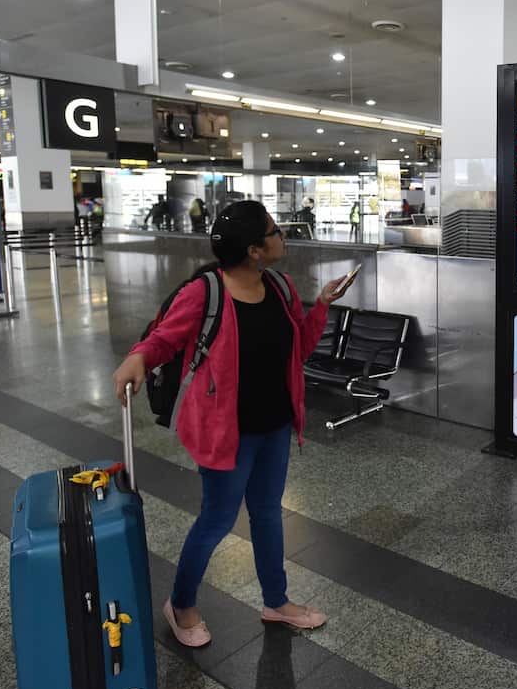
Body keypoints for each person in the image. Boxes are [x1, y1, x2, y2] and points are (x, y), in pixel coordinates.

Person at [111, 201, 354, 647]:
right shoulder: (204, 293)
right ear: (254, 250)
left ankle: (276, 601)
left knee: (268, 513)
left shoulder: (279, 286)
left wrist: (320, 305)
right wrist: (138, 357)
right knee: (217, 519)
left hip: (275, 426)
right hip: (227, 433)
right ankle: (180, 604)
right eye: (274, 230)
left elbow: (298, 349)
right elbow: (165, 338)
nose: (282, 235)